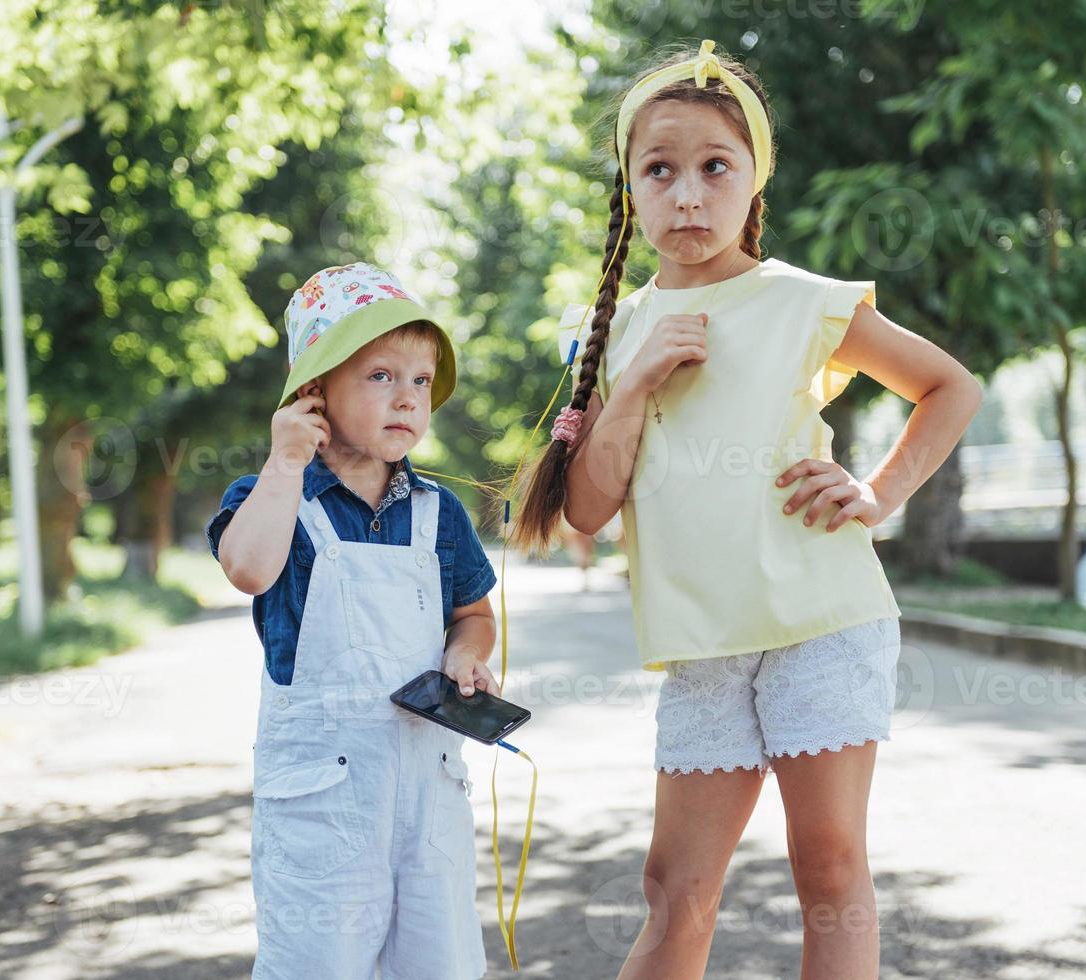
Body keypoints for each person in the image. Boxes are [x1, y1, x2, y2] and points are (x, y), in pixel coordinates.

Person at [510, 39, 983, 980]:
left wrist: (879, 492)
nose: (687, 195)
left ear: (751, 177)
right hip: (703, 648)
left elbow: (949, 387)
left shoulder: (802, 301)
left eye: (713, 168)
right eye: (661, 171)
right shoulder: (611, 336)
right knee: (674, 887)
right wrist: (636, 381)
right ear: (631, 190)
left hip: (823, 624)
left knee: (829, 869)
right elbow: (589, 511)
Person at [206, 261, 500, 980]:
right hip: (321, 802)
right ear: (313, 391)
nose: (407, 397)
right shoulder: (270, 497)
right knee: (318, 962)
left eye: (421, 380)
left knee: (439, 961)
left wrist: (466, 652)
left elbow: (474, 613)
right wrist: (284, 463)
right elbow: (247, 569)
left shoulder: (439, 513)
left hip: (427, 790)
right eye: (379, 376)